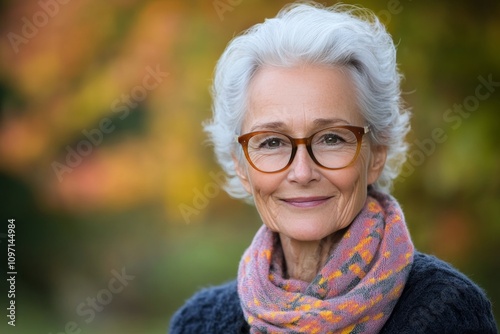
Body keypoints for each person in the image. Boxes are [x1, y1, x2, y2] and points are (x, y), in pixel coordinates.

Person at [169, 2, 498, 333]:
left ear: (377, 153)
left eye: (331, 139)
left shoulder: (447, 310)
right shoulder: (200, 323)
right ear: (241, 165)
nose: (301, 172)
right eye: (272, 142)